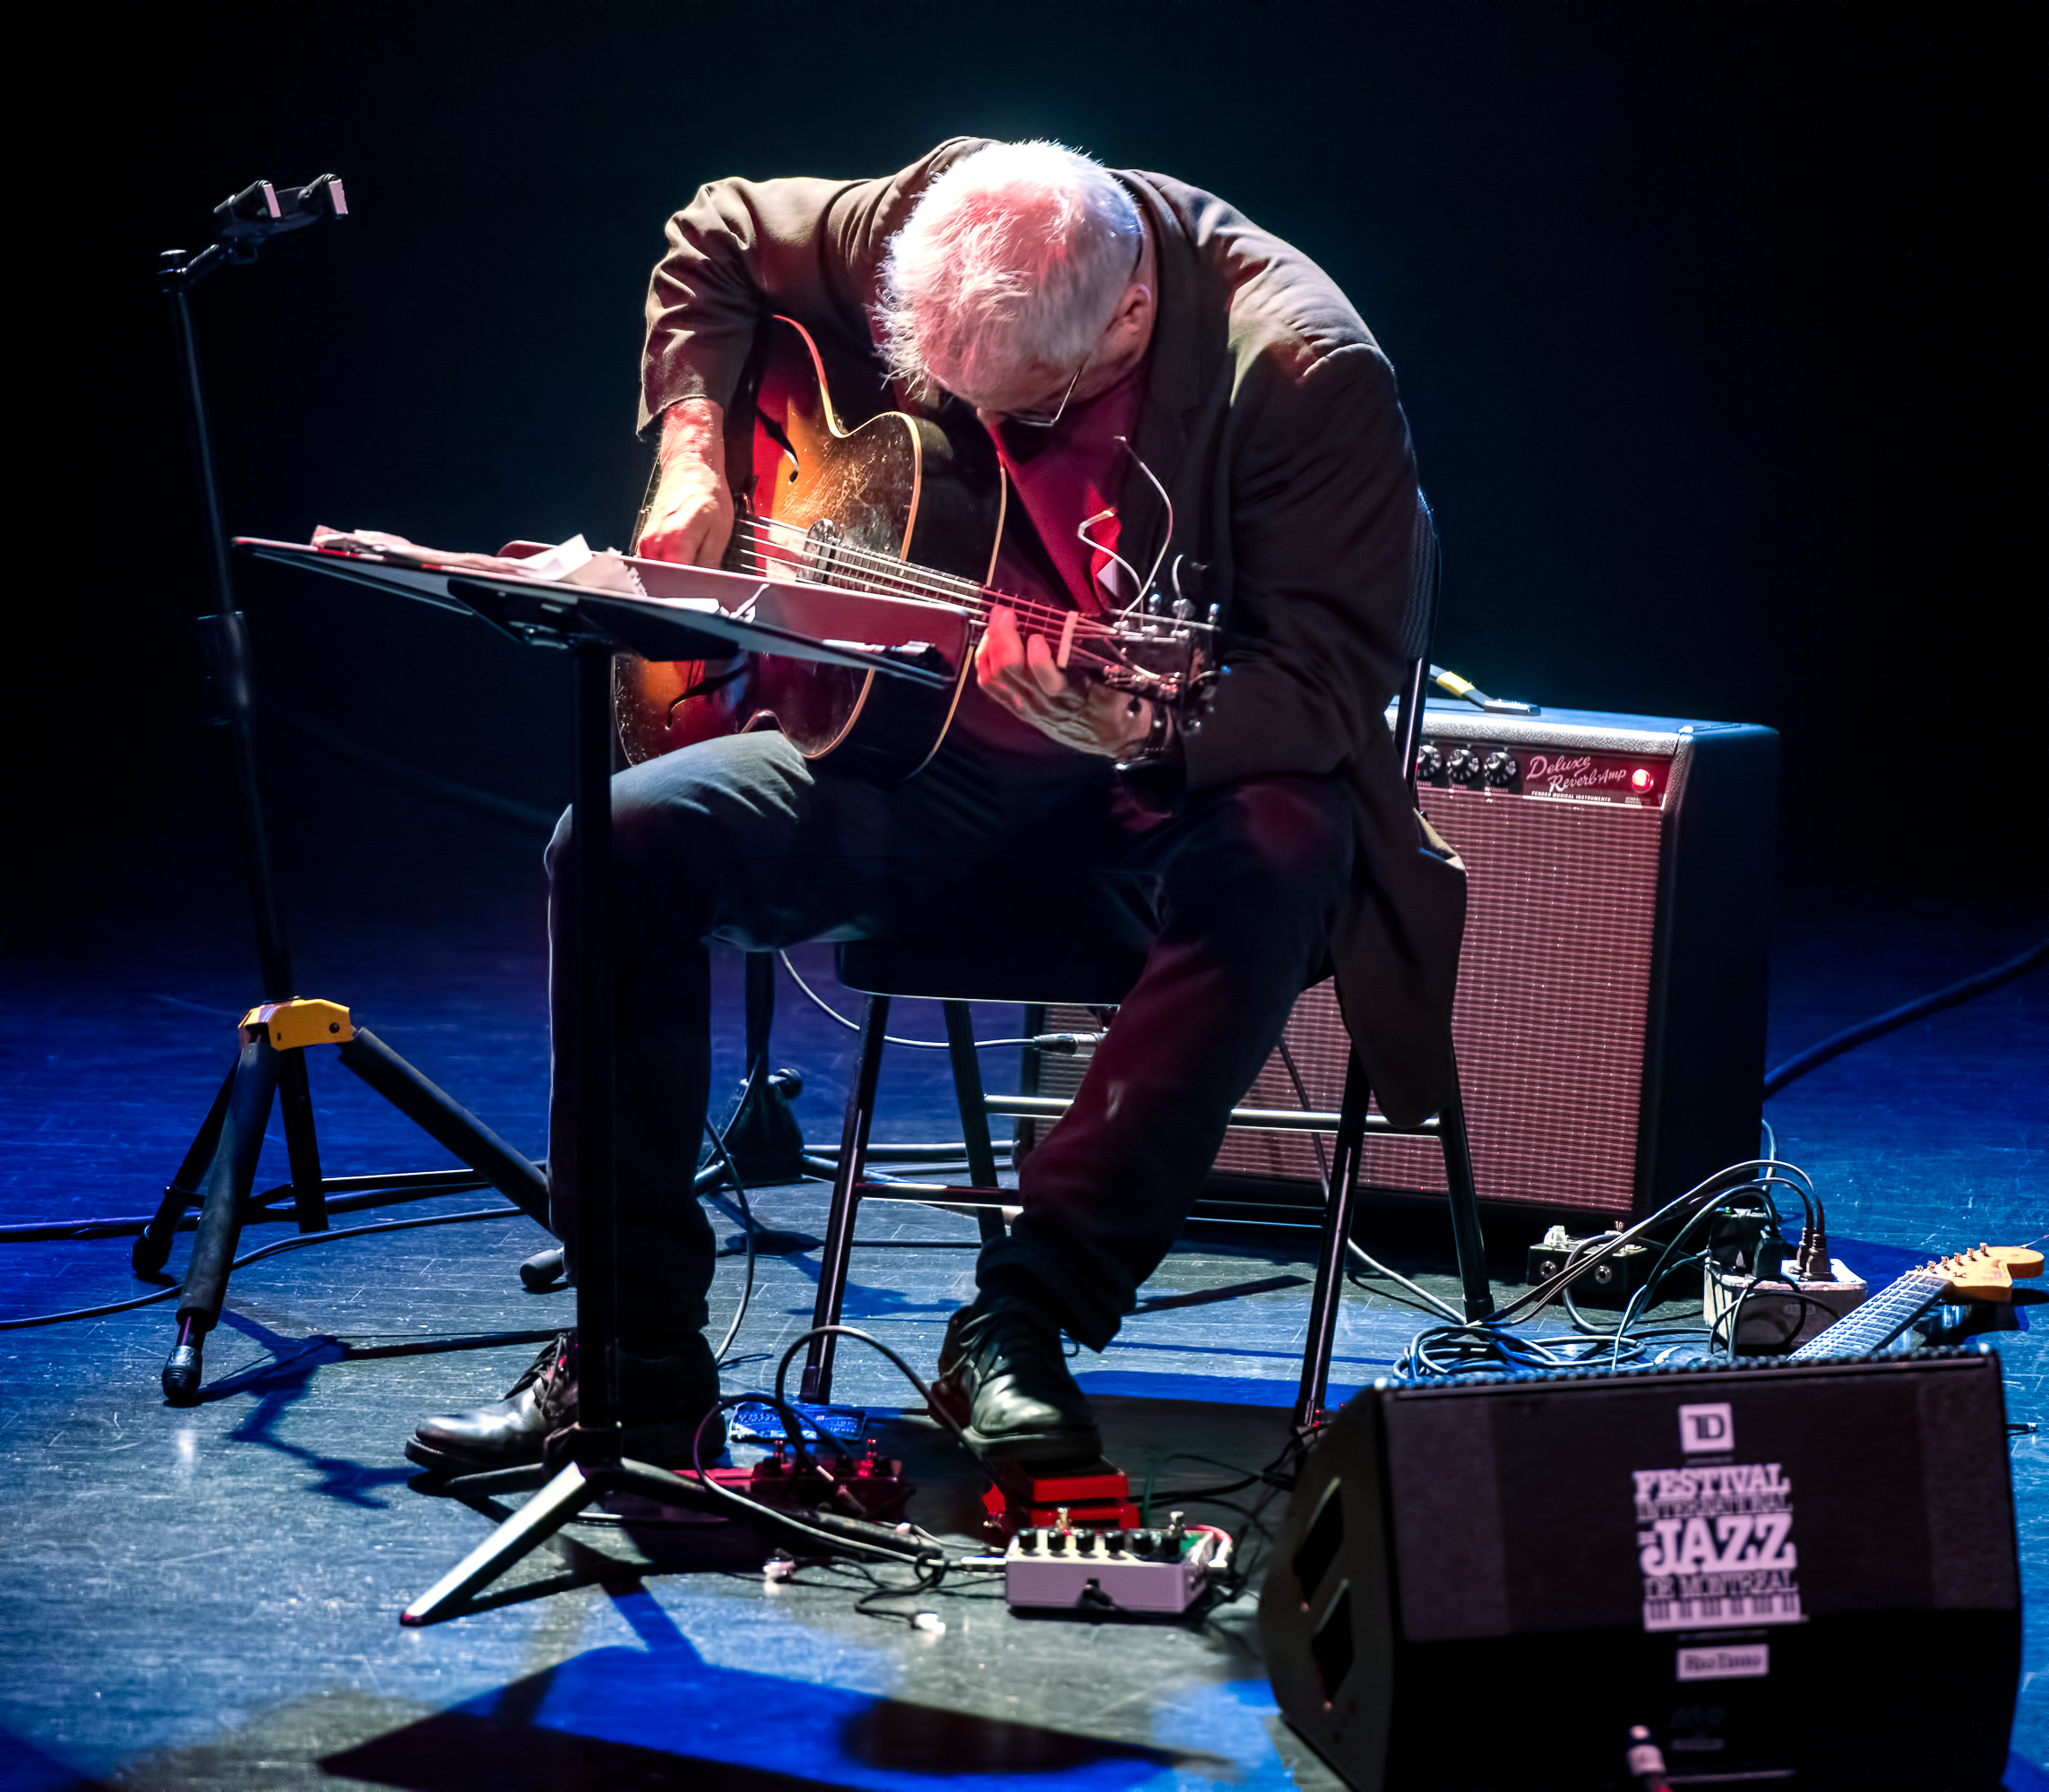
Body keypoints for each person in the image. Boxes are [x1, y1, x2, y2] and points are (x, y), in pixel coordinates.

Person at [408, 138, 1464, 1478]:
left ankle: (1021, 1318)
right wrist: (693, 458)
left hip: (1154, 787)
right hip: (932, 751)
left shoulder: (1301, 371)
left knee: (1284, 844)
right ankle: (631, 1362)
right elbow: (719, 229)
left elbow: (1328, 682)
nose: (993, 433)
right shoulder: (938, 207)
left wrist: (1145, 725)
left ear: (1129, 316)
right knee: (618, 842)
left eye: (1021, 410)